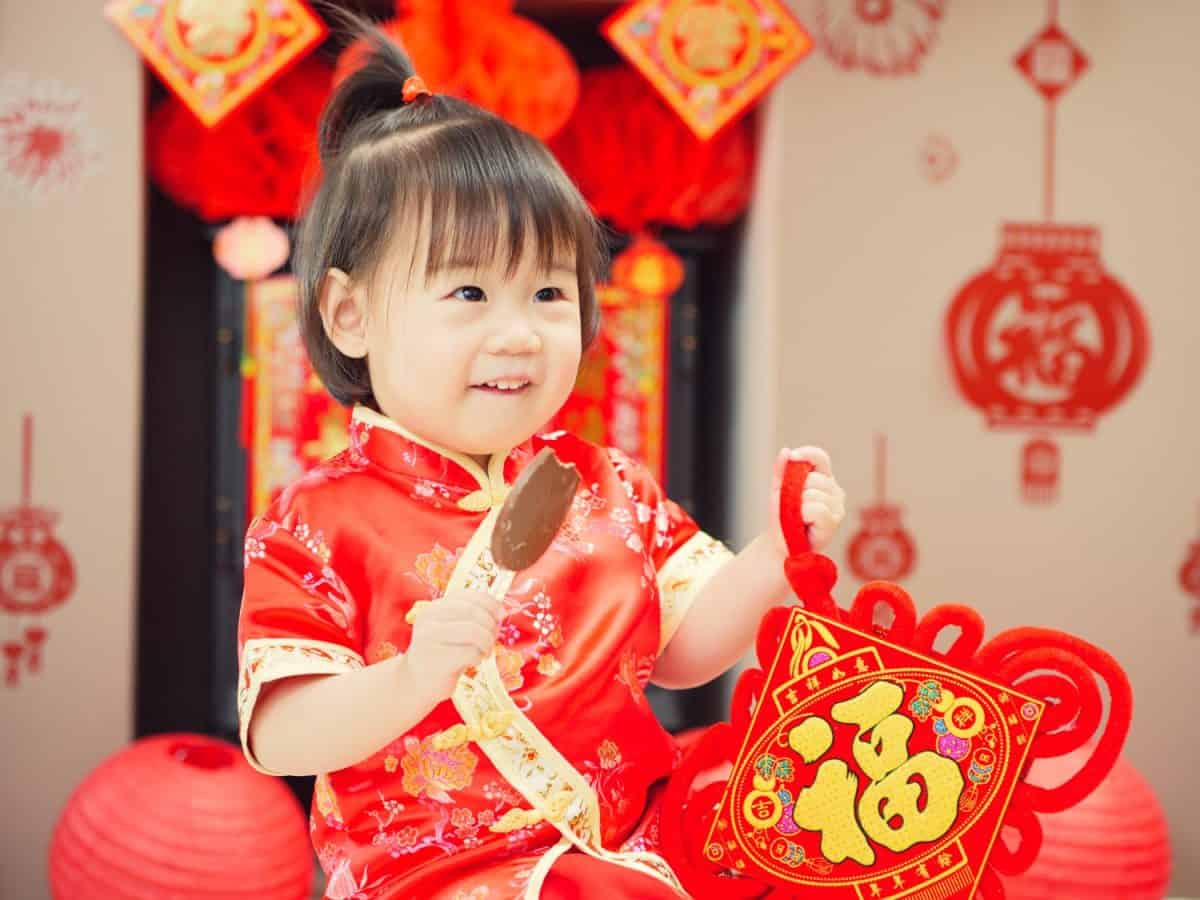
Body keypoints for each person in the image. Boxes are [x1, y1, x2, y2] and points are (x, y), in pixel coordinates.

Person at [236, 24, 847, 900]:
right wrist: (409, 679)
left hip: (624, 848)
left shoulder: (607, 485)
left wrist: (777, 556)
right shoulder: (313, 519)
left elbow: (684, 653)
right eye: (470, 292)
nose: (520, 332)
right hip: (432, 873)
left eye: (550, 292)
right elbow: (284, 732)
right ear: (350, 314)